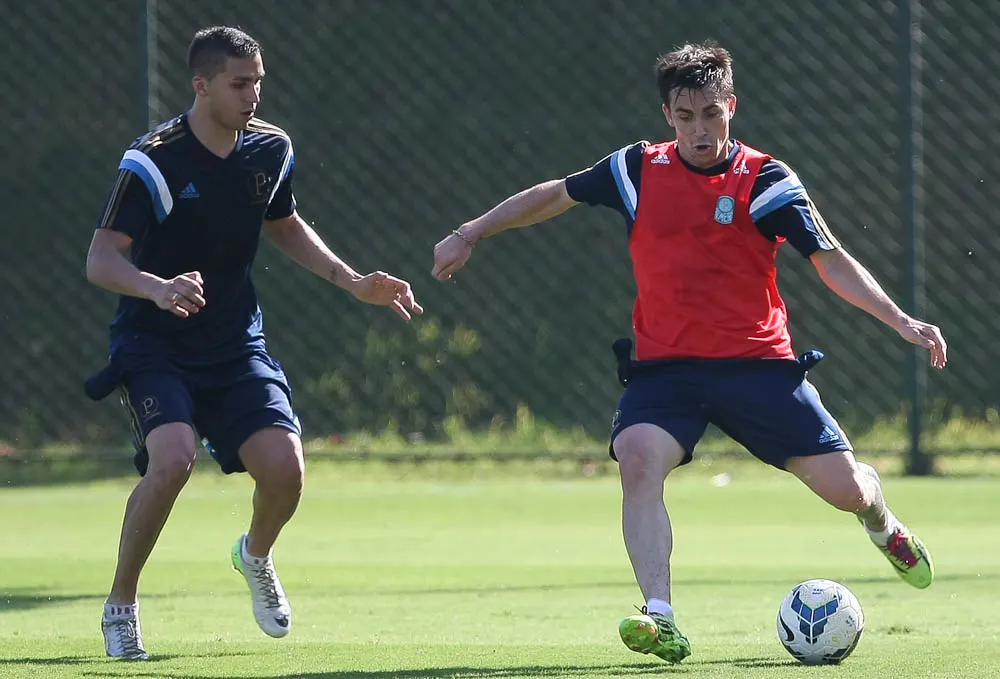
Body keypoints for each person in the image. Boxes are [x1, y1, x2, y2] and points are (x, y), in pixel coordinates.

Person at [432, 40, 946, 665]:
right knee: (637, 460)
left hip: (758, 368)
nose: (700, 130)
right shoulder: (636, 169)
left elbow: (830, 261)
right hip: (667, 370)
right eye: (686, 117)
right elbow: (554, 195)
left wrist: (899, 319)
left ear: (732, 106)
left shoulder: (766, 181)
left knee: (847, 491)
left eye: (712, 113)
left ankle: (883, 525)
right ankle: (660, 614)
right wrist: (470, 232)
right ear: (667, 117)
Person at [84, 25, 423, 661]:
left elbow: (283, 223)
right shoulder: (153, 159)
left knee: (287, 473)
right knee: (174, 458)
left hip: (236, 342)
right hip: (154, 341)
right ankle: (121, 604)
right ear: (202, 85)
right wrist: (156, 288)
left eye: (259, 81)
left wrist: (352, 281)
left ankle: (254, 555)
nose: (254, 95)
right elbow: (101, 260)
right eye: (240, 84)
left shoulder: (270, 149)